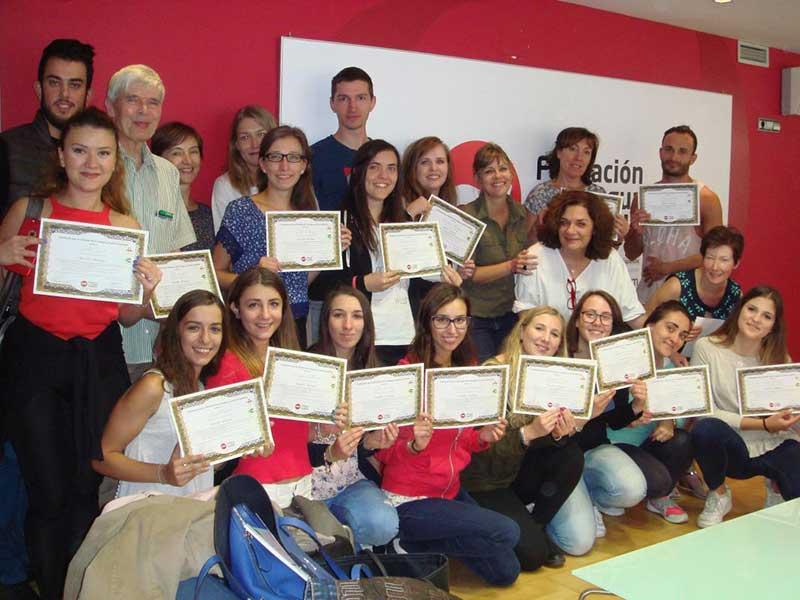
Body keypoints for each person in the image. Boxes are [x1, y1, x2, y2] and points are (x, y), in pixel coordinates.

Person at [0, 107, 161, 600]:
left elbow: (127, 317)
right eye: (80, 151)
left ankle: (80, 588)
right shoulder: (31, 211)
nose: (92, 163)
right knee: (47, 490)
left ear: (115, 162)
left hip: (98, 362)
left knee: (85, 486)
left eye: (103, 153)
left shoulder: (124, 225)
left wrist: (147, 292)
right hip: (35, 360)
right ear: (61, 156)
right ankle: (52, 589)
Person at [375, 284, 519, 586]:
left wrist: (483, 437)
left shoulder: (468, 367)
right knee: (507, 531)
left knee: (507, 572)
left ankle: (418, 546)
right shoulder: (407, 373)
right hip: (409, 498)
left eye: (459, 320)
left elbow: (463, 439)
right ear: (427, 322)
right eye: (442, 320)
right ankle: (406, 538)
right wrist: (414, 446)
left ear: (468, 322)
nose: (452, 330)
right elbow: (382, 451)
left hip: (449, 490)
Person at [461, 306, 586, 569]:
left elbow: (545, 445)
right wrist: (527, 433)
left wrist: (560, 432)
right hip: (485, 480)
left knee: (570, 454)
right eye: (539, 328)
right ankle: (508, 529)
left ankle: (536, 525)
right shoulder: (493, 372)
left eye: (554, 334)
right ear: (521, 331)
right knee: (532, 558)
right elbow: (479, 449)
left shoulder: (555, 376)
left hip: (517, 473)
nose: (546, 339)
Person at [314, 139, 460, 365]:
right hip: (359, 340)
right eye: (374, 167)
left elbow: (416, 281)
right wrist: (363, 283)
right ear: (359, 172)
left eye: (391, 168)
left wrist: (444, 279)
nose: (384, 175)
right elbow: (319, 287)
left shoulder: (406, 224)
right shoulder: (340, 222)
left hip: (406, 336)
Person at [105, 64, 196, 382]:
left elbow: (177, 254)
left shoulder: (168, 173)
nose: (143, 110)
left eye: (153, 102)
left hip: (159, 345)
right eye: (133, 100)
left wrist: (173, 323)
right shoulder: (96, 169)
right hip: (108, 342)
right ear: (111, 107)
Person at [214, 126, 344, 349]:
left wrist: (331, 250)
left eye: (293, 157)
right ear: (263, 164)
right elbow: (214, 273)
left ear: (303, 166)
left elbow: (299, 281)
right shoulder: (241, 210)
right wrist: (253, 276)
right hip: (251, 323)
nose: (284, 166)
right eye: (275, 157)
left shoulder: (309, 216)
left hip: (295, 321)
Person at [92, 290, 226, 498]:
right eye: (193, 328)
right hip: (147, 511)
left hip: (189, 509)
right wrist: (162, 474)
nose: (205, 338)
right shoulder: (154, 386)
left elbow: (200, 464)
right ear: (176, 332)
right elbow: (102, 458)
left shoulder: (201, 387)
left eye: (215, 329)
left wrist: (242, 445)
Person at [690, 286, 800, 527]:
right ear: (740, 310)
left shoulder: (780, 359)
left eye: (766, 316)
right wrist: (763, 424)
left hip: (774, 443)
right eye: (752, 309)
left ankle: (777, 488)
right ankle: (719, 494)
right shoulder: (707, 347)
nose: (756, 319)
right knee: (705, 428)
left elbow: (791, 416)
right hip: (732, 445)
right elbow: (703, 411)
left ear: (773, 326)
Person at [205, 268, 306, 509]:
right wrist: (243, 442)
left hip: (303, 486)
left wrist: (332, 422)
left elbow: (302, 434)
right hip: (255, 489)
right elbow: (215, 446)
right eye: (253, 305)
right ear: (235, 309)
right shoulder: (226, 366)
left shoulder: (293, 360)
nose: (265, 315)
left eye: (273, 304)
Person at [307, 286, 399, 547]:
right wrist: (329, 450)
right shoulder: (307, 366)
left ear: (366, 323)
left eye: (357, 316)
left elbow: (359, 448)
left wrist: (372, 443)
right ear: (326, 320)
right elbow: (292, 442)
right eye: (339, 315)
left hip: (349, 482)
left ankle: (342, 535)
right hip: (306, 484)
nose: (348, 325)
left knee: (384, 525)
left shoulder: (372, 370)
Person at [564, 291, 648, 539]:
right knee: (579, 539)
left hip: (594, 448)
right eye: (590, 314)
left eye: (605, 317)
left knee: (633, 490)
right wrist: (586, 413)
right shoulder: (560, 355)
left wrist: (637, 405)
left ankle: (591, 495)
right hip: (559, 454)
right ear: (577, 320)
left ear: (613, 324)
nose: (597, 322)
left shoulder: (614, 363)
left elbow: (614, 421)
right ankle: (576, 498)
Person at [607, 300, 695, 524]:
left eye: (682, 335)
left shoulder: (673, 368)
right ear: (650, 326)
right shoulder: (622, 361)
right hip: (614, 444)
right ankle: (608, 492)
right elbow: (603, 416)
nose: (675, 339)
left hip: (649, 445)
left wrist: (668, 421)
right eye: (670, 328)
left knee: (683, 440)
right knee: (657, 481)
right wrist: (630, 418)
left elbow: (681, 419)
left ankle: (659, 498)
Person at [514, 190, 645, 327]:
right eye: (564, 223)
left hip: (597, 339)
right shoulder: (534, 257)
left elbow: (633, 314)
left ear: (595, 228)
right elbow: (527, 319)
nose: (570, 231)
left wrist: (655, 334)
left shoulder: (610, 259)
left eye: (581, 224)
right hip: (548, 339)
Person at [624, 125, 724, 304]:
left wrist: (667, 268)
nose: (674, 157)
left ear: (693, 158)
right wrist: (636, 232)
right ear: (660, 152)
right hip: (648, 298)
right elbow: (631, 253)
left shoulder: (706, 199)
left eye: (682, 151)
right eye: (669, 149)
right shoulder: (643, 198)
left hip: (687, 299)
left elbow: (716, 255)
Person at [460, 143, 537, 362]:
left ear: (511, 174)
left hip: (512, 315)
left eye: (503, 169)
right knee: (484, 374)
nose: (498, 176)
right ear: (478, 179)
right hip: (477, 317)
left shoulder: (522, 214)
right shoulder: (466, 215)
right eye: (489, 171)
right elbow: (469, 274)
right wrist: (511, 266)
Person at [0, 39, 94, 215]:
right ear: (39, 89)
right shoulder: (6, 148)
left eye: (75, 85)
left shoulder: (101, 158)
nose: (64, 94)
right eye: (54, 83)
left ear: (88, 95)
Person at [645, 225, 743, 364]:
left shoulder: (735, 295)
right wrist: (671, 354)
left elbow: (735, 337)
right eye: (710, 257)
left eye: (724, 260)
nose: (715, 267)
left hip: (712, 363)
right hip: (671, 363)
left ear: (736, 263)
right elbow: (646, 320)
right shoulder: (677, 285)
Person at [523, 127, 628, 242]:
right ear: (559, 152)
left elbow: (605, 243)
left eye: (586, 152)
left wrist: (618, 236)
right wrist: (538, 228)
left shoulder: (598, 195)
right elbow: (523, 244)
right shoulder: (540, 194)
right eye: (573, 149)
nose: (579, 157)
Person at [310, 67, 376, 212]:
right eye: (344, 99)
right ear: (332, 103)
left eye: (361, 98)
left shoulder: (384, 157)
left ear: (372, 102)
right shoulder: (312, 157)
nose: (353, 107)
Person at [211, 105, 276, 232]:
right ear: (236, 145)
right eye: (245, 137)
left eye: (261, 134)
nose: (255, 144)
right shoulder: (225, 186)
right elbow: (225, 240)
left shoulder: (290, 179)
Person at [151, 122, 214, 251]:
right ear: (158, 159)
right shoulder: (150, 211)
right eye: (177, 153)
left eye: (193, 152)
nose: (188, 161)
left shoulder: (207, 215)